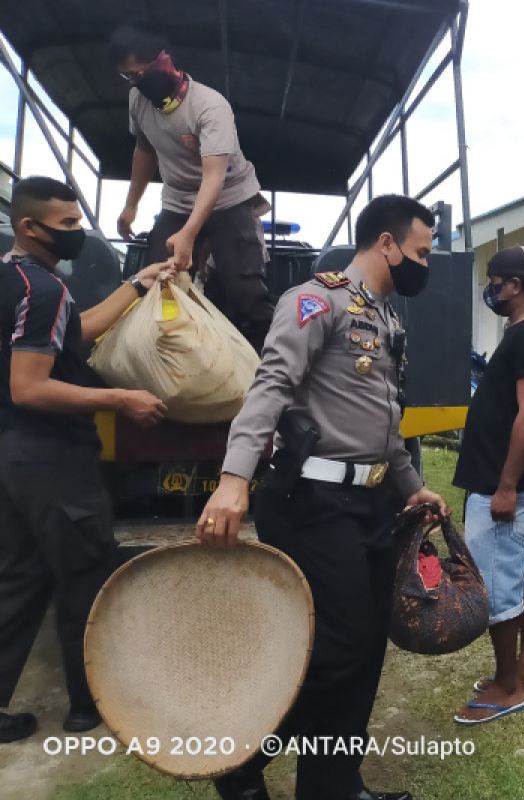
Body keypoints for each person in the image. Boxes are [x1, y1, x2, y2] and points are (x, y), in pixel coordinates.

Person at [197, 194, 446, 800]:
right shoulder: (316, 300)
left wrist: (413, 488)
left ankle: (335, 785)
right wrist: (234, 478)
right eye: (420, 251)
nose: (425, 264)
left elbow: (381, 422)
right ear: (385, 243)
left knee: (362, 650)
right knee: (338, 649)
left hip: (371, 503)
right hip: (313, 500)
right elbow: (271, 384)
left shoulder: (385, 317)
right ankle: (241, 761)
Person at [0, 177, 172, 743]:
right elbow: (30, 386)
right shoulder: (44, 289)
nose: (77, 232)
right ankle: (87, 703)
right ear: (31, 226)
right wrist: (120, 398)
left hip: (12, 455)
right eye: (68, 224)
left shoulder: (15, 276)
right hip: (52, 456)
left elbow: (76, 335)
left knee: (20, 578)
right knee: (84, 575)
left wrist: (138, 285)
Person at [109, 23, 274, 351]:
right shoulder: (137, 101)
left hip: (230, 199)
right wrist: (131, 205)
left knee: (243, 290)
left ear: (163, 61)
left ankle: (263, 367)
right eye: (128, 77)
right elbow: (143, 150)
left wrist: (189, 233)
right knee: (158, 281)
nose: (136, 83)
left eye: (140, 74)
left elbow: (213, 176)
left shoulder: (210, 106)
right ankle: (167, 355)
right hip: (177, 200)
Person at [452, 246, 524, 725]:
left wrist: (506, 485)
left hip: (506, 485)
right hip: (512, 483)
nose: (490, 291)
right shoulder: (522, 331)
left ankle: (507, 685)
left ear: (514, 285)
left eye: (495, 282)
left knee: (497, 581)